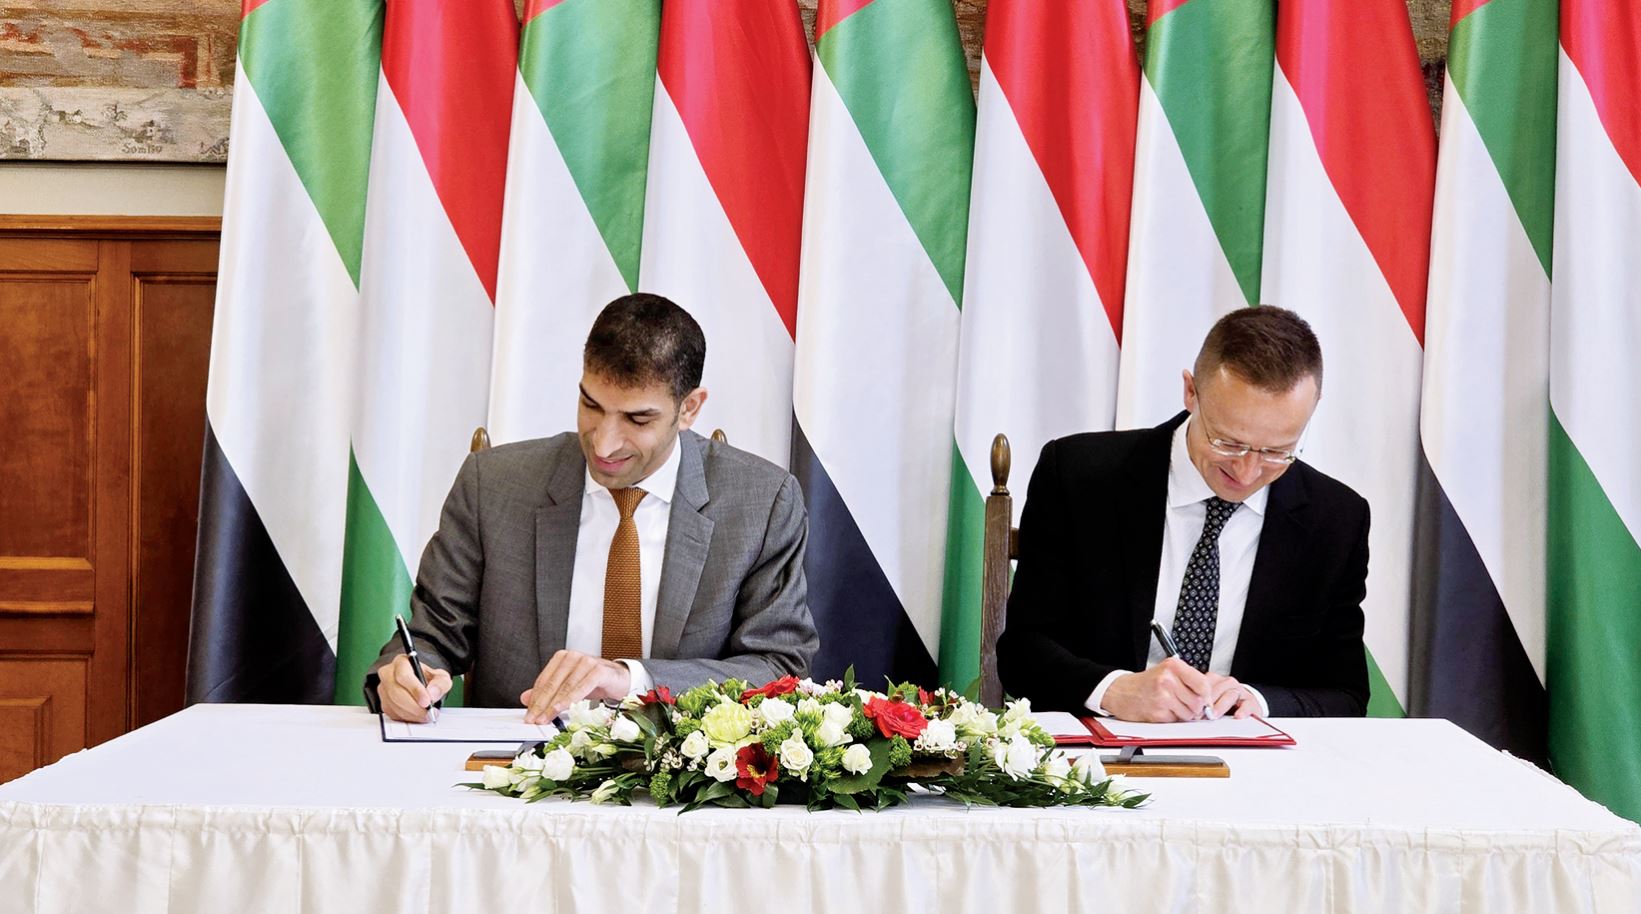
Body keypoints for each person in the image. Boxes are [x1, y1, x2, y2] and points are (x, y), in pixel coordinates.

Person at [368, 294, 818, 723]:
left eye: (637, 419)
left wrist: (629, 680)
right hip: (512, 762)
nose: (603, 444)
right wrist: (406, 677)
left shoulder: (762, 502)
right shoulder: (493, 486)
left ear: (689, 409)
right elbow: (430, 638)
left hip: (681, 767)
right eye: (591, 405)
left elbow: (779, 667)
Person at [997, 306, 1370, 721]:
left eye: (1276, 451)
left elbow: (1346, 695)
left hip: (1248, 754)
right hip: (1099, 749)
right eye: (1228, 443)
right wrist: (1115, 690)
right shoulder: (1079, 476)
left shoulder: (1336, 519)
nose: (1247, 471)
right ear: (1191, 392)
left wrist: (1259, 700)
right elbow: (1022, 652)